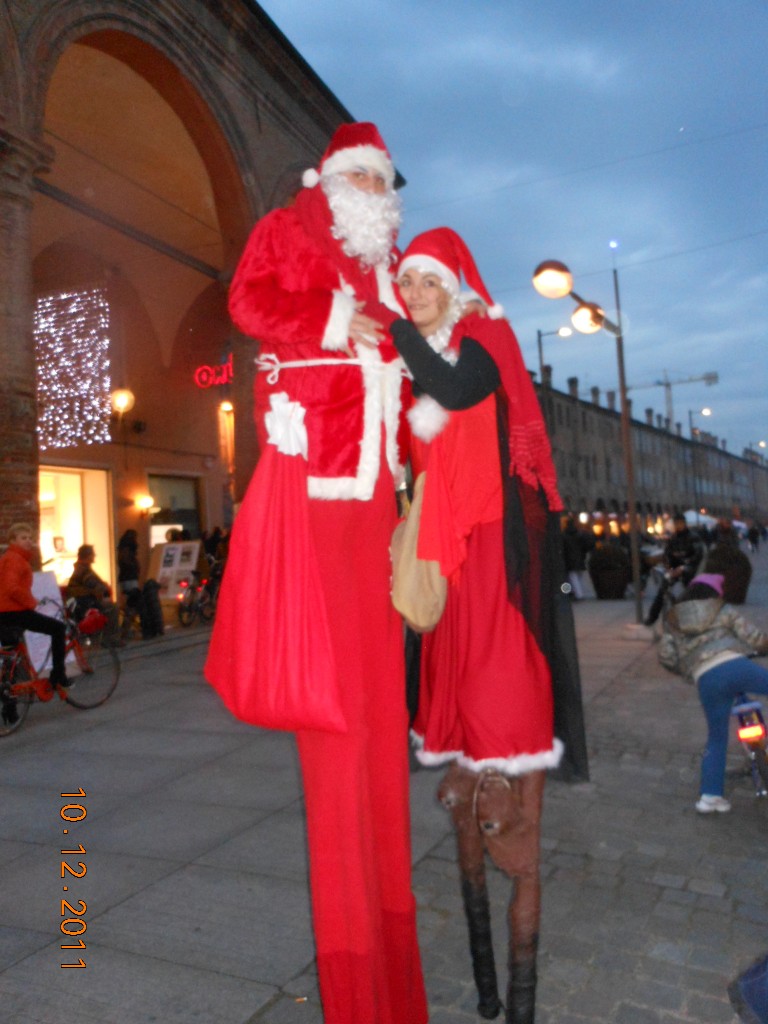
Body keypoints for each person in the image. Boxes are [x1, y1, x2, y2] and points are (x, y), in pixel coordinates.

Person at [205, 123, 427, 1024]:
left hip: (376, 498)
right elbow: (250, 305)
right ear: (331, 181)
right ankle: (354, 980)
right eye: (361, 176)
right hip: (317, 481)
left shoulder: (391, 264)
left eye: (385, 180)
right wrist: (338, 321)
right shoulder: (290, 228)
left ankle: (391, 966)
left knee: (381, 721)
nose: (376, 190)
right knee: (339, 725)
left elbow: (413, 374)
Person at [390, 226, 588, 779]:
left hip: (488, 529)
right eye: (406, 281)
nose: (415, 292)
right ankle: (471, 773)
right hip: (441, 534)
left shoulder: (483, 334)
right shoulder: (415, 361)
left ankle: (509, 767)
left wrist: (392, 327)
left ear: (452, 290)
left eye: (430, 281)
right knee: (451, 661)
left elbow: (456, 391)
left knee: (493, 659)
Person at [659, 573, 768, 813]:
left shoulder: (673, 618)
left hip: (707, 678)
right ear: (715, 593)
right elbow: (754, 638)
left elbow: (666, 656)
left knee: (716, 737)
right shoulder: (723, 609)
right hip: (736, 666)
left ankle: (710, 798)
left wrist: (690, 669)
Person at [0, 523, 69, 716]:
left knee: (10, 658)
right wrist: (31, 602)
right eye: (23, 538)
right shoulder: (16, 560)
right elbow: (12, 588)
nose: (28, 541)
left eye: (30, 538)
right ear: (12, 541)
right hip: (16, 611)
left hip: (3, 613)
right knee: (58, 628)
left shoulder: (8, 558)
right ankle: (58, 675)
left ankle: (10, 710)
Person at [644, 512, 704, 626]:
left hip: (689, 568)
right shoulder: (673, 538)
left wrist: (684, 567)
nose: (678, 525)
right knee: (663, 589)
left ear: (685, 523)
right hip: (674, 569)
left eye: (680, 523)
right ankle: (652, 617)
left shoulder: (693, 537)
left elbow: (698, 555)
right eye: (676, 523)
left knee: (690, 590)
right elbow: (667, 556)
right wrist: (669, 569)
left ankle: (695, 616)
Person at [67, 544, 121, 644]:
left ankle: (108, 637)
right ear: (87, 556)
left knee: (110, 606)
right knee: (112, 608)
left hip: (84, 601)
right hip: (84, 603)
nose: (94, 556)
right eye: (92, 554)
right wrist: (104, 591)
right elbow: (94, 585)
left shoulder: (82, 568)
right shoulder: (83, 570)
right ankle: (110, 638)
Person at [562, 516, 595, 600]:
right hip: (580, 558)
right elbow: (586, 546)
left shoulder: (564, 536)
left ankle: (577, 594)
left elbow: (563, 548)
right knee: (578, 577)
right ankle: (578, 593)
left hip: (569, 559)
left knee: (572, 578)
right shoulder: (579, 535)